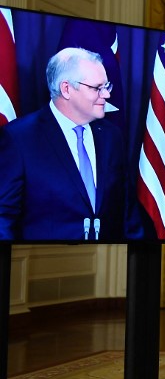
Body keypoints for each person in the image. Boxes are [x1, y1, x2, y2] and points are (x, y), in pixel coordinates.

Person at [0, 47, 140, 241]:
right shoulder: (19, 139)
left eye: (107, 86)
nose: (106, 95)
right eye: (96, 88)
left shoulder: (111, 136)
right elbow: (3, 220)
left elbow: (128, 213)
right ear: (66, 89)